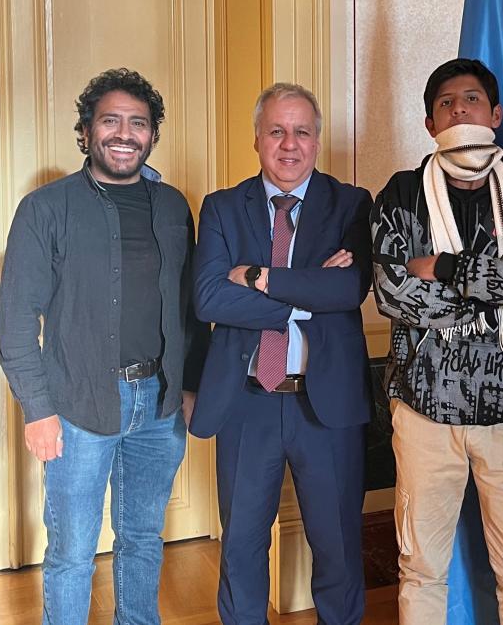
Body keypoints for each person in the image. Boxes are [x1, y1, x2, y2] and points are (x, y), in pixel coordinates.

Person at [0, 68, 208, 625]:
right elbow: (15, 319)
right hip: (78, 406)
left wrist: (189, 386)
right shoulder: (45, 209)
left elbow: (190, 307)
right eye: (110, 120)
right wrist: (38, 411)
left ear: (152, 135)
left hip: (159, 407)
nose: (124, 133)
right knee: (71, 554)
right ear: (86, 131)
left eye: (138, 123)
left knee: (142, 538)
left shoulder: (172, 206)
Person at [371, 58, 503, 625]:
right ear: (430, 122)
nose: (460, 109)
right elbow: (392, 293)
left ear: (496, 115)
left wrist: (444, 267)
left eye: (472, 98)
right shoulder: (402, 194)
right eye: (446, 102)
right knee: (421, 570)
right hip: (425, 414)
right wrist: (493, 281)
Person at [186, 83, 373, 625]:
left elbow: (348, 292)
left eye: (302, 132)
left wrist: (255, 278)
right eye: (276, 131)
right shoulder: (222, 207)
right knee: (242, 543)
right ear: (257, 139)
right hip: (248, 403)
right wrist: (302, 296)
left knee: (337, 545)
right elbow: (208, 297)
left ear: (317, 141)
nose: (289, 144)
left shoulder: (351, 204)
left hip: (327, 406)